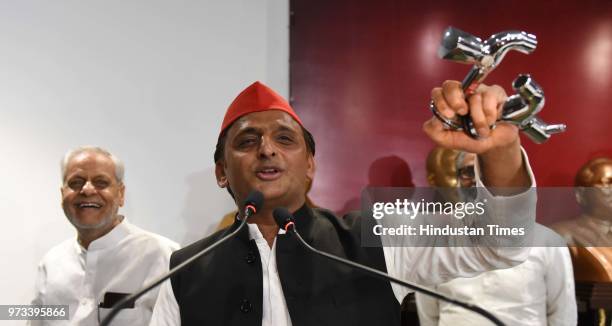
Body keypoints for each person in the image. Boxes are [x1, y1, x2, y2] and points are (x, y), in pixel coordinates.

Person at [150, 80, 536, 325]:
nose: (266, 149)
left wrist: (500, 152)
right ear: (221, 172)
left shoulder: (378, 238)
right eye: (247, 142)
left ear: (310, 166)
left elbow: (501, 244)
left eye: (285, 140)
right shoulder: (183, 272)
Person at [416, 149, 576, 326]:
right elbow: (428, 315)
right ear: (459, 179)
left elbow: (563, 314)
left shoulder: (547, 242)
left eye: (486, 171)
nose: (477, 180)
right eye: (469, 172)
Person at [30, 146, 179, 325]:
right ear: (62, 194)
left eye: (101, 182)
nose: (87, 190)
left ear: (121, 194)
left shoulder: (162, 255)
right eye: (76, 182)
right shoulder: (52, 262)